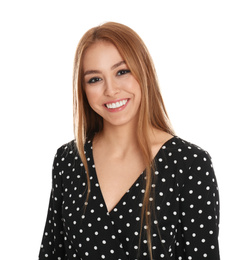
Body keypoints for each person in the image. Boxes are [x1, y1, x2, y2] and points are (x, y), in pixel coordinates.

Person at [39, 22, 220, 260]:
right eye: (95, 79)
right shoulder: (68, 160)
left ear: (143, 71)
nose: (111, 90)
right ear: (83, 89)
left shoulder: (189, 163)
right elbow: (52, 252)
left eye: (122, 72)